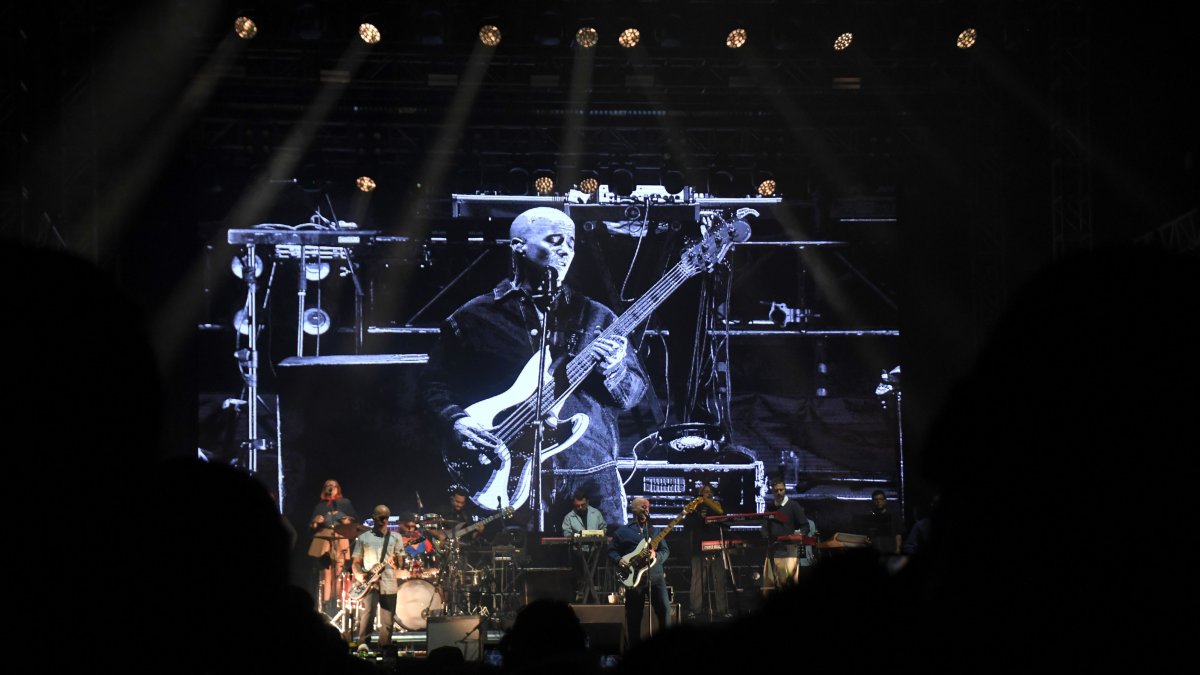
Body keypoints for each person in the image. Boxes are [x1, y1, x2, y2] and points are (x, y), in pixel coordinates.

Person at [420, 206, 650, 528]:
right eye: (555, 240)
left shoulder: (597, 317)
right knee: (513, 574)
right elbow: (433, 385)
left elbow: (631, 395)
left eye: (571, 243)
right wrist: (457, 422)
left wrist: (615, 369)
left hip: (590, 474)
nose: (566, 250)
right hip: (505, 475)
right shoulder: (474, 317)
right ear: (518, 246)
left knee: (605, 573)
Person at [608, 497, 671, 649]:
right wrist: (620, 561)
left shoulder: (654, 530)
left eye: (648, 507)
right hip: (634, 580)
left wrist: (656, 556)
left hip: (655, 577)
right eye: (643, 507)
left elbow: (665, 550)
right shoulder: (622, 532)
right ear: (635, 510)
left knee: (664, 611)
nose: (646, 510)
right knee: (634, 617)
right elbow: (611, 551)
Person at [351, 504, 404, 654]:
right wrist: (359, 574)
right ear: (374, 517)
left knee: (388, 618)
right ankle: (363, 643)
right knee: (369, 613)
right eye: (380, 518)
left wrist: (397, 562)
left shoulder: (396, 537)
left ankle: (385, 646)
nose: (383, 521)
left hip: (389, 581)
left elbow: (401, 561)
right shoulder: (363, 538)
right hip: (370, 582)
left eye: (386, 518)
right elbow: (355, 562)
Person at [308, 479, 358, 612]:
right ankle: (325, 603)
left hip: (340, 536)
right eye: (328, 486)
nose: (331, 488)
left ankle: (337, 601)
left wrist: (347, 520)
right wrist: (315, 521)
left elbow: (354, 520)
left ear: (338, 489)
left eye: (333, 486)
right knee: (326, 571)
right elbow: (312, 526)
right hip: (324, 537)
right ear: (324, 489)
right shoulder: (320, 506)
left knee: (339, 569)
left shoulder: (345, 503)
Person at [683, 483, 731, 620]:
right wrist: (695, 514)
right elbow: (686, 526)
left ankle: (723, 610)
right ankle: (695, 610)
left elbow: (726, 523)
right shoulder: (694, 507)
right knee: (697, 582)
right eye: (705, 492)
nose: (708, 494)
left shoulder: (718, 507)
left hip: (716, 548)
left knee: (720, 580)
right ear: (700, 494)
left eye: (710, 492)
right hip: (698, 550)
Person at [761, 480, 810, 593]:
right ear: (772, 491)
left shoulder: (793, 506)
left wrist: (798, 534)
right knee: (769, 585)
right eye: (776, 490)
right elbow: (764, 526)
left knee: (787, 583)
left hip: (789, 550)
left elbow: (805, 525)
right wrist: (765, 536)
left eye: (781, 490)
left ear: (785, 490)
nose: (779, 492)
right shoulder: (769, 507)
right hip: (773, 550)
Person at [561, 489, 608, 602]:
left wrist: (600, 535)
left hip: (595, 551)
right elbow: (567, 534)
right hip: (578, 553)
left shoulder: (596, 513)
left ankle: (593, 600)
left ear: (587, 502)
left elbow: (603, 528)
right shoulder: (569, 517)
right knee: (580, 577)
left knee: (594, 576)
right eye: (577, 506)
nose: (580, 508)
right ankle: (580, 599)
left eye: (582, 505)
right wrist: (576, 536)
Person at [859, 489, 902, 555]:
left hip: (890, 550)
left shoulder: (893, 515)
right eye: (876, 499)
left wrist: (898, 548)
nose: (878, 501)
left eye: (880, 499)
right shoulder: (870, 516)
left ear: (885, 500)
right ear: (873, 501)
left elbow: (898, 533)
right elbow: (866, 533)